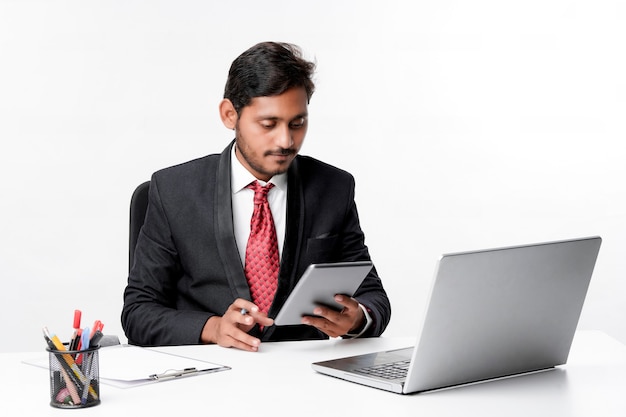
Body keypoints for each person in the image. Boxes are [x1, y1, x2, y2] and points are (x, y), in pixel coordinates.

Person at [121, 41, 391, 352]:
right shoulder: (174, 190)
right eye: (268, 124)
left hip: (303, 377)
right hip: (211, 377)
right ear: (229, 115)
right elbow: (138, 313)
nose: (286, 141)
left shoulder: (333, 188)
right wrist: (213, 328)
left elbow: (373, 297)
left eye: (297, 123)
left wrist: (358, 320)